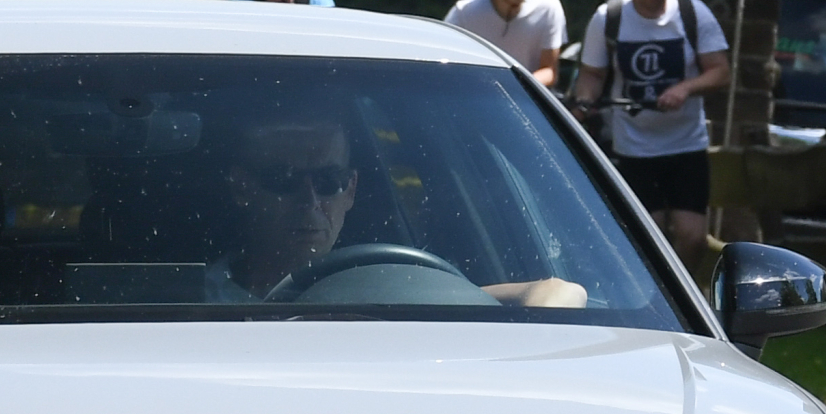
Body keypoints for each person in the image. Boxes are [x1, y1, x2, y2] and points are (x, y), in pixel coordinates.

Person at [205, 113, 582, 307]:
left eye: (329, 181)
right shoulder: (189, 299)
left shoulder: (386, 292)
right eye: (283, 178)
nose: (310, 201)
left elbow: (559, 292)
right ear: (243, 188)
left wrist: (545, 326)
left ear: (351, 190)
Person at [569, 0, 729, 269]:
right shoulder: (609, 17)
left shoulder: (692, 14)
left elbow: (720, 72)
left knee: (692, 235)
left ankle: (685, 301)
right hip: (634, 147)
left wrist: (684, 89)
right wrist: (582, 106)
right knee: (648, 233)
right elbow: (592, 75)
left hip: (686, 144)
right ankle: (656, 305)